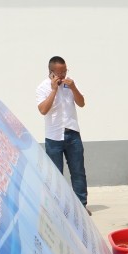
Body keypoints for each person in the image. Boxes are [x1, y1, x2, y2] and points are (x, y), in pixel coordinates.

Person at [36, 55, 88, 209]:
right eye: (60, 73)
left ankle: (81, 206)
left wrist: (74, 88)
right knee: (55, 175)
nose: (63, 75)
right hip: (53, 137)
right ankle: (57, 208)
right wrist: (53, 90)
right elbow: (43, 110)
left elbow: (81, 103)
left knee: (78, 171)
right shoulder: (42, 87)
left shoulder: (70, 83)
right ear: (51, 72)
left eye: (65, 71)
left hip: (72, 133)